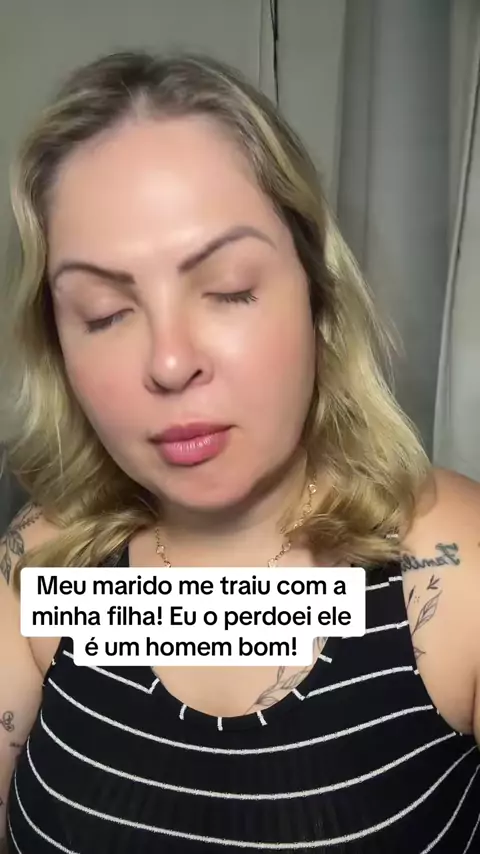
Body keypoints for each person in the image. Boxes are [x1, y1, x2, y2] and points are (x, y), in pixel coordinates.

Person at [0, 50, 479, 854]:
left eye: (227, 289)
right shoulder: (44, 564)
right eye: (104, 312)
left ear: (318, 295)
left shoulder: (454, 567)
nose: (169, 361)